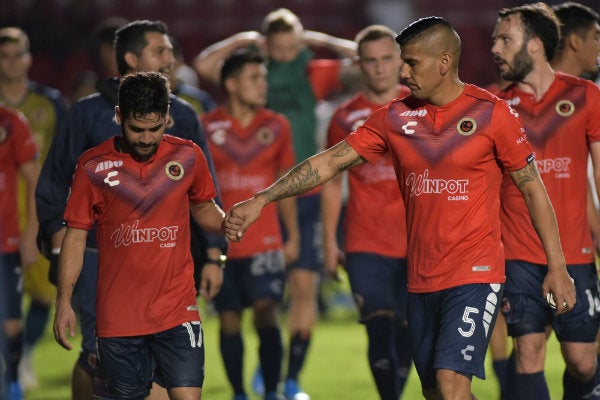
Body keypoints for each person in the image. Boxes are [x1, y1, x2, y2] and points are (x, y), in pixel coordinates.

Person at [222, 16, 577, 400]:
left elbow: (533, 190)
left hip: (475, 272)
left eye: (411, 62)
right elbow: (331, 161)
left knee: (450, 384)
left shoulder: (492, 114)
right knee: (435, 392)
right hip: (421, 276)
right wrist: (263, 199)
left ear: (443, 62)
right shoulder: (395, 117)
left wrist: (557, 268)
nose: (401, 71)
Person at [36, 20, 226, 400]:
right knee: (93, 356)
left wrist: (214, 256)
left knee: (167, 378)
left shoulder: (185, 117)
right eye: (160, 51)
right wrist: (56, 241)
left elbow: (206, 200)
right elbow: (56, 181)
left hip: (168, 266)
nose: (170, 58)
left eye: (170, 50)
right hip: (96, 258)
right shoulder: (86, 115)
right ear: (131, 58)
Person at [194, 10, 356, 399]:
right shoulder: (251, 71)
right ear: (265, 45)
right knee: (235, 314)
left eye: (291, 44)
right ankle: (251, 386)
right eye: (277, 45)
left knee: (298, 289)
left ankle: (289, 380)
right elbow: (204, 64)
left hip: (300, 197)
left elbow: (364, 61)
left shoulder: (311, 71)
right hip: (248, 210)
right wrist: (246, 39)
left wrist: (316, 39)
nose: (283, 53)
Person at [491, 3, 600, 399]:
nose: (495, 48)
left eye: (505, 39)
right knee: (529, 352)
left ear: (534, 45)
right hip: (517, 251)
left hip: (576, 251)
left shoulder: (585, 96)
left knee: (583, 360)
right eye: (494, 39)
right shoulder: (492, 105)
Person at [320, 24, 412, 400]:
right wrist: (329, 241)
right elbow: (330, 181)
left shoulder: (422, 106)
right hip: (364, 240)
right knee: (377, 326)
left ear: (400, 60)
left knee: (409, 331)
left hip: (417, 239)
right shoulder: (344, 117)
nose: (378, 68)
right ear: (358, 65)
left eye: (386, 59)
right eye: (370, 61)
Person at [201, 50, 298, 400]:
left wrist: (294, 236)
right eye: (254, 78)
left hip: (266, 240)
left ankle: (272, 391)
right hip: (223, 243)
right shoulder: (207, 126)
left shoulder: (277, 125)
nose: (263, 85)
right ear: (231, 83)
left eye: (264, 78)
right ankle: (239, 392)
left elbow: (285, 184)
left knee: (267, 314)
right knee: (228, 320)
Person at [0, 26, 68, 392]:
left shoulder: (50, 102)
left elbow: (64, 155)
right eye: (5, 55)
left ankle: (22, 351)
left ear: (28, 58)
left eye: (18, 53)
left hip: (38, 207)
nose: (12, 61)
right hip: (4, 206)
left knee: (45, 291)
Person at [0, 105, 39, 400]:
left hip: (5, 240)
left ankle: (12, 380)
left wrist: (31, 233)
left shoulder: (12, 122)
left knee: (11, 321)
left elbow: (33, 179)